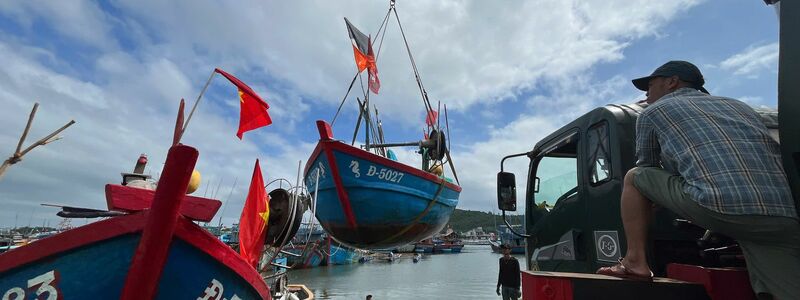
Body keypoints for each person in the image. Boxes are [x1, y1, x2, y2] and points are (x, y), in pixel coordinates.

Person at [596, 60, 800, 299]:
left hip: (720, 206)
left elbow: (647, 168)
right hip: (785, 215)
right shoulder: (739, 106)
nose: (646, 94)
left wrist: (653, 202)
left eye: (650, 86)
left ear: (672, 82)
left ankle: (634, 261)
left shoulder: (652, 112)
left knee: (635, 177)